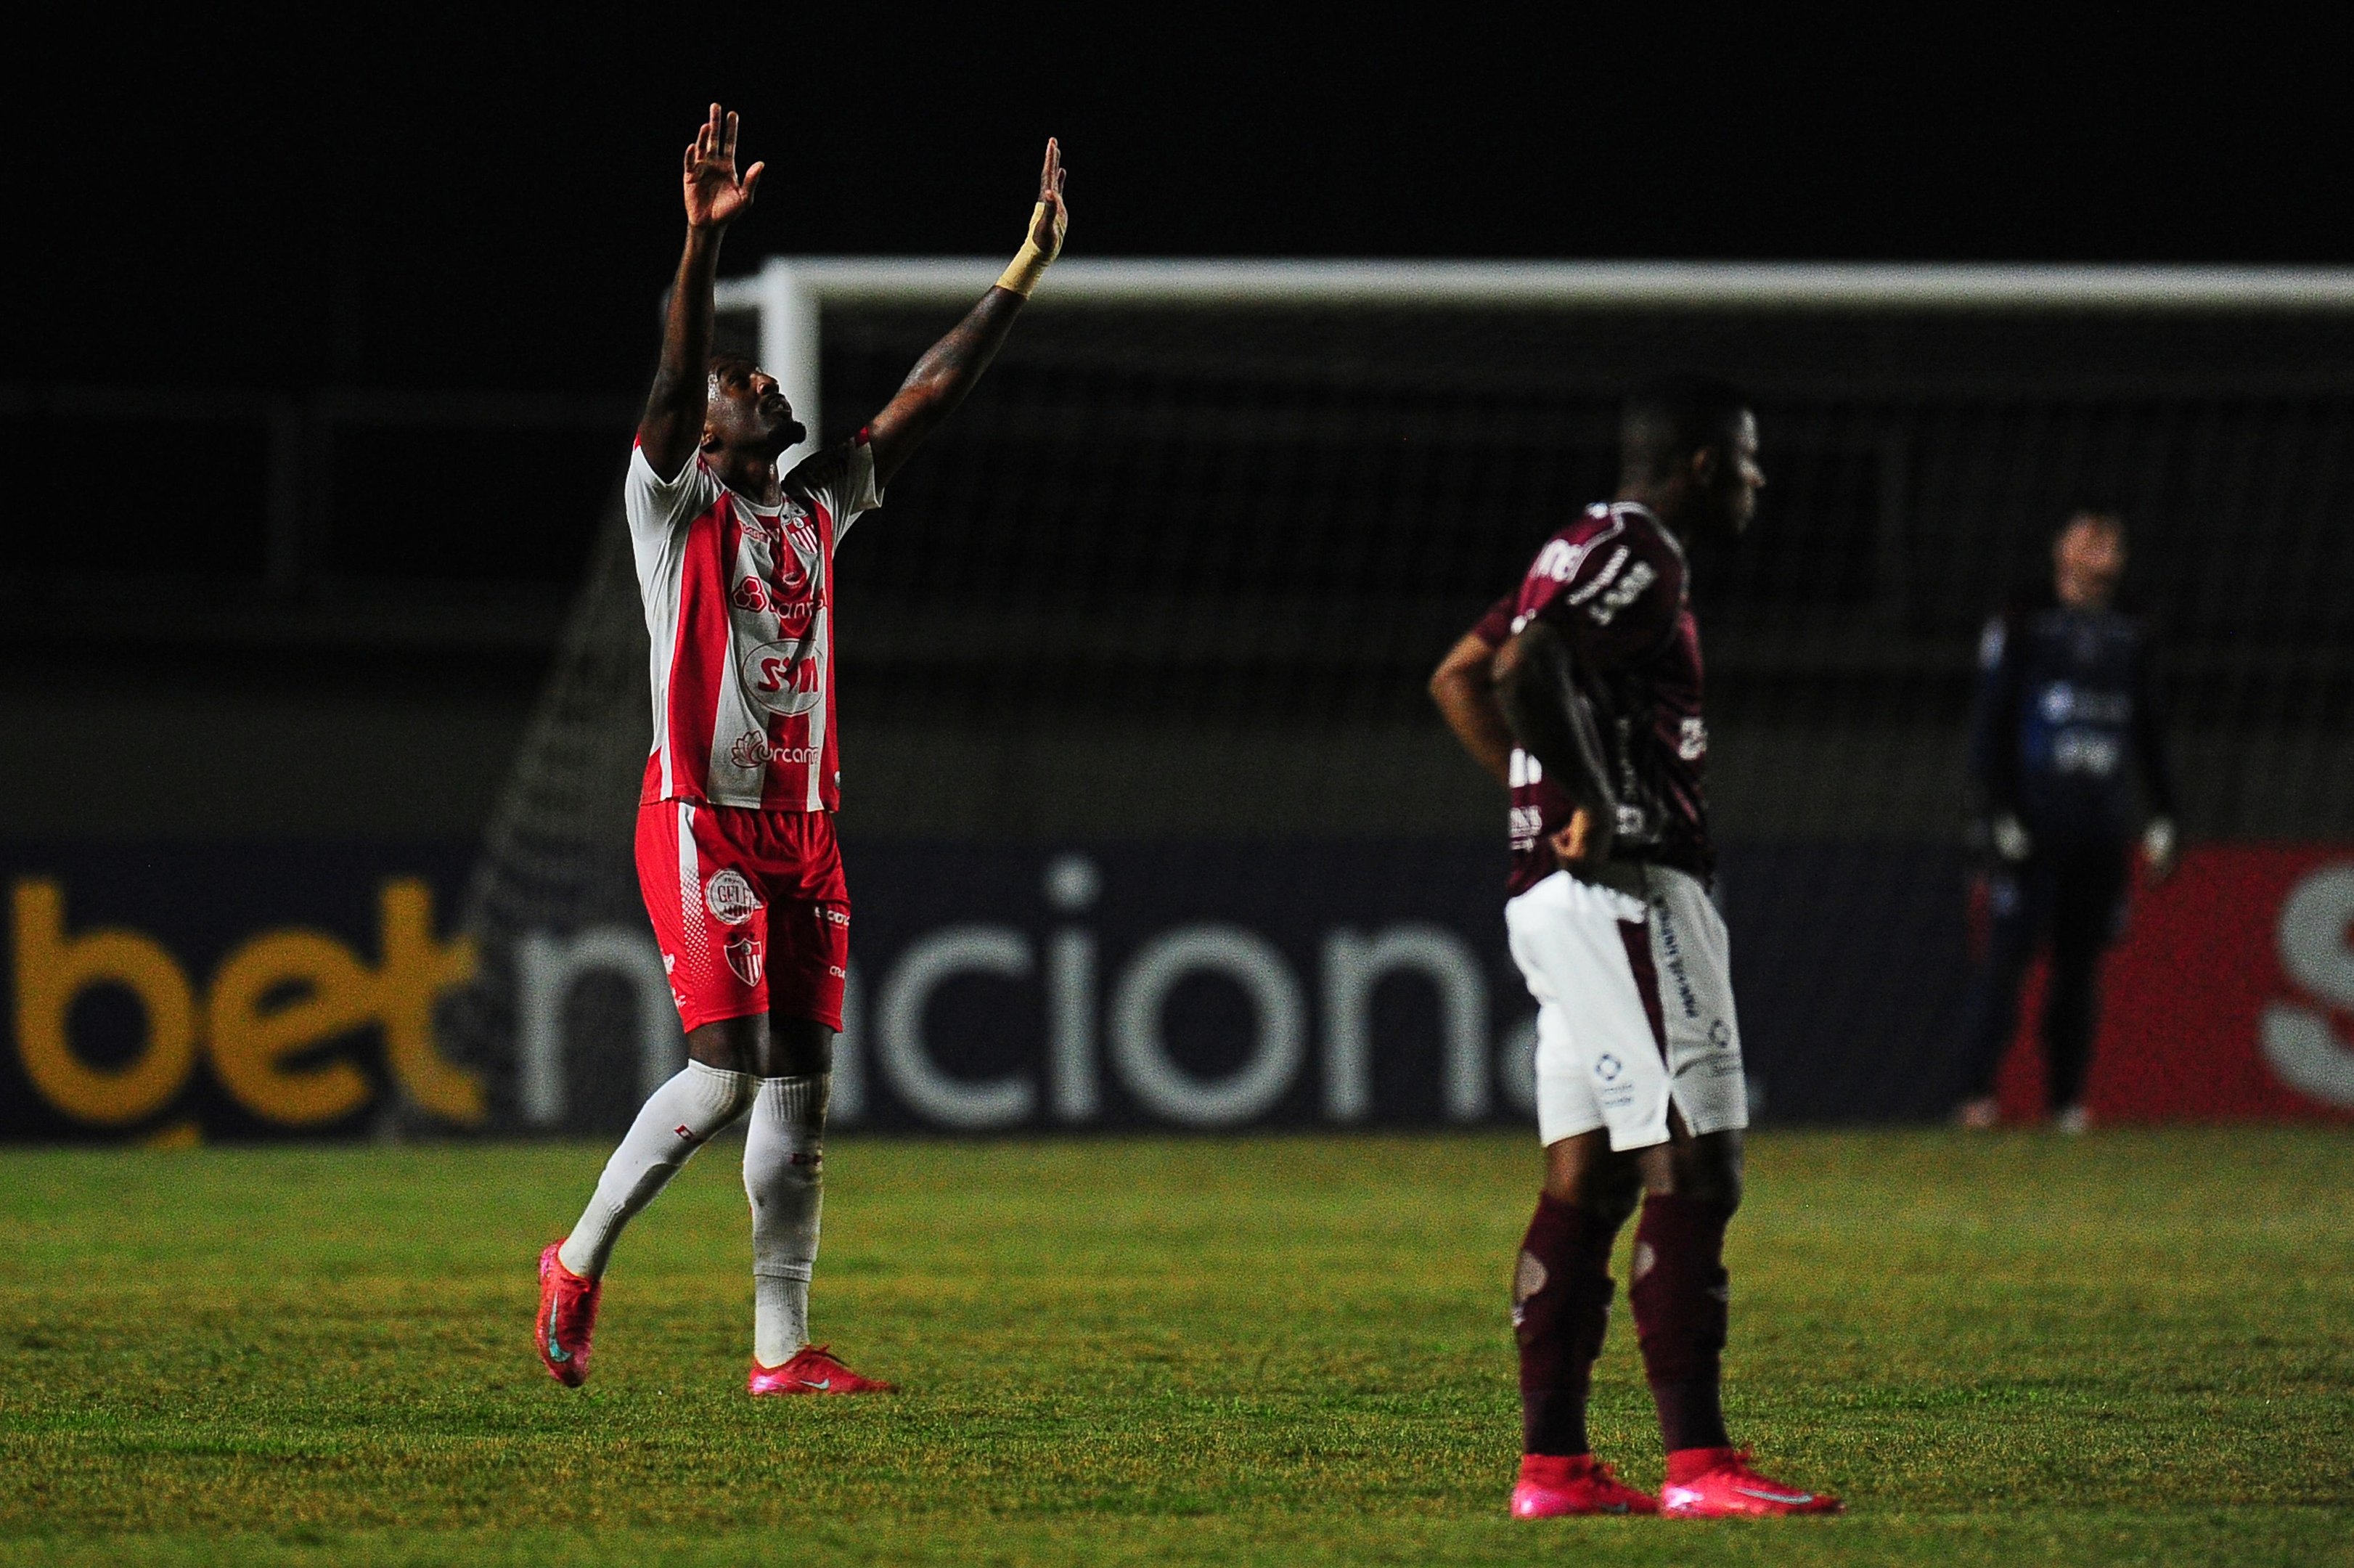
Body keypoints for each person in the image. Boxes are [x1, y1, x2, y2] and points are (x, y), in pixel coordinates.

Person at [534, 105, 1068, 1395]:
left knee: (803, 1092)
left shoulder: (820, 503)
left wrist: (1023, 268)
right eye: (739, 381)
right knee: (722, 1078)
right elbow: (670, 378)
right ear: (705, 431)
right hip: (700, 819)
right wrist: (698, 243)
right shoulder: (673, 507)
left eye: (756, 377)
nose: (758, 379)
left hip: (807, 833)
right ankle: (577, 1256)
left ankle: (781, 1353)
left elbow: (926, 397)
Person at [1429, 378, 1840, 1519]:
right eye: (1749, 462)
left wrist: (1537, 802)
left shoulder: (1568, 545)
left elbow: (1460, 672)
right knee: (1694, 1160)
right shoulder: (1642, 551)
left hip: (1551, 894)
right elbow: (1520, 673)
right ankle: (1699, 1466)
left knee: (1590, 1177)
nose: (1759, 483)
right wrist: (1597, 804)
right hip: (1623, 889)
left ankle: (1552, 1469)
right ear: (1703, 465)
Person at [1953, 510, 2178, 1132]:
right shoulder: (2023, 619)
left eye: (2112, 538)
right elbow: (1988, 723)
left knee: (2079, 972)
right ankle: (1975, 1098)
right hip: (2031, 827)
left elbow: (2149, 728)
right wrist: (1996, 809)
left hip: (2099, 829)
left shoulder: (2132, 628)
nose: (2103, 547)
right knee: (2005, 962)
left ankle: (2067, 1104)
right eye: (2089, 536)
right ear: (2060, 550)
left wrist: (2162, 813)